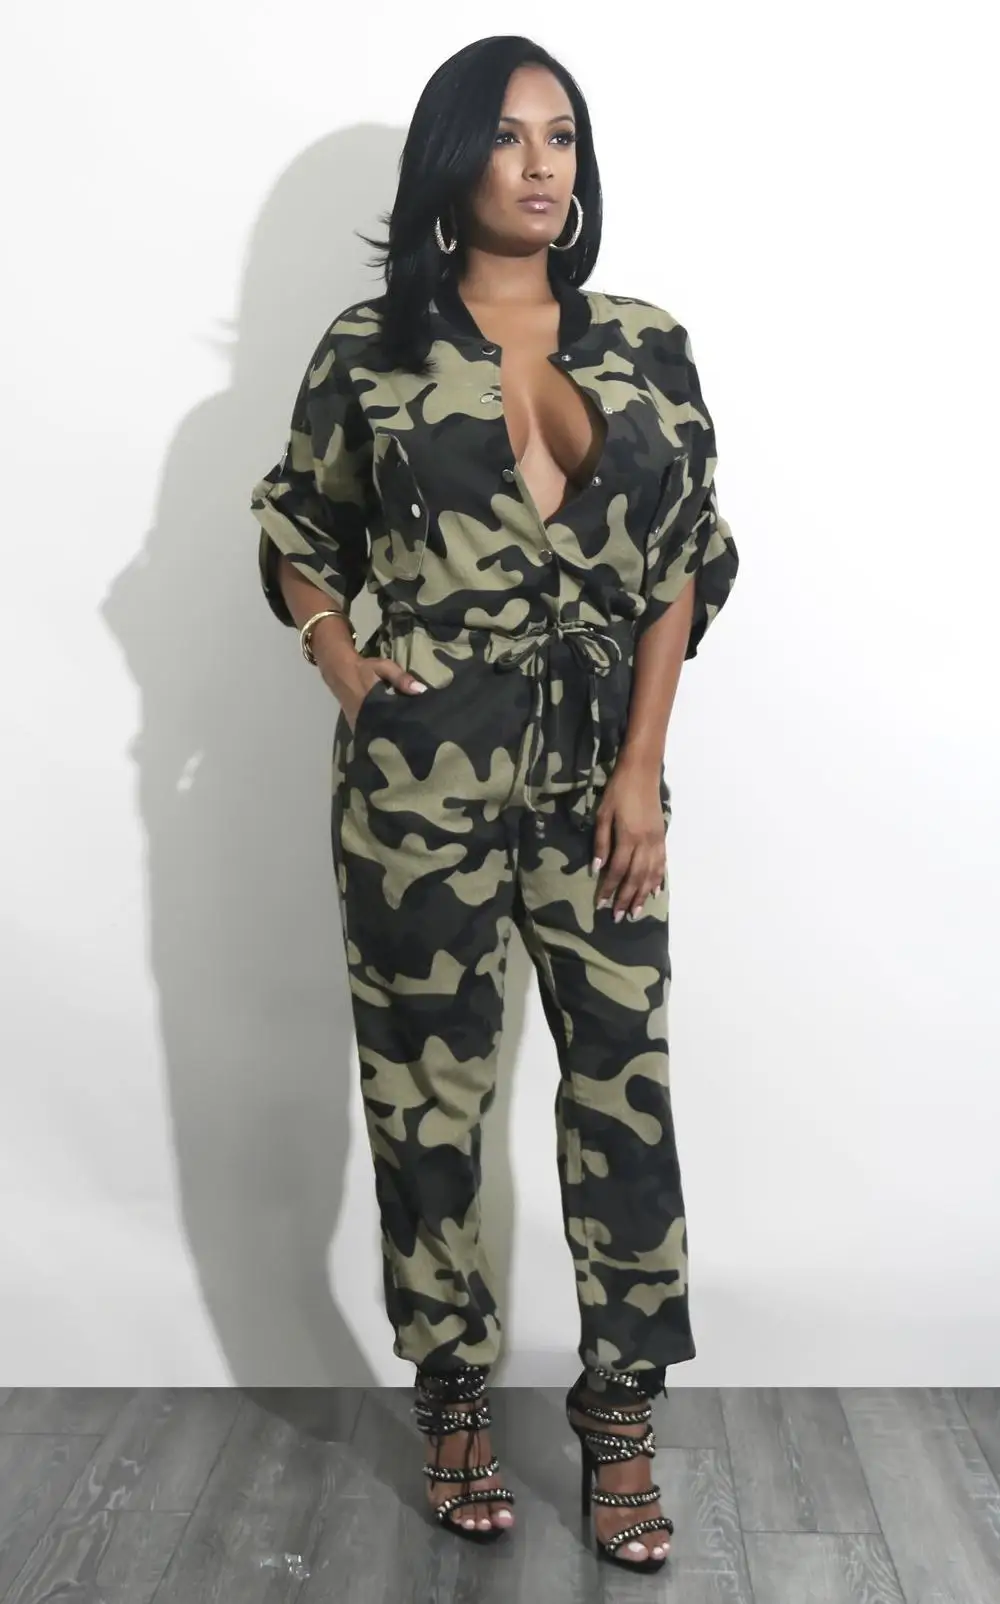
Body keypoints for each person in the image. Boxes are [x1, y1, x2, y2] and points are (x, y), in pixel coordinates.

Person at [249, 34, 739, 1574]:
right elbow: (295, 526)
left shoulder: (647, 345)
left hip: (599, 791)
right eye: (512, 135)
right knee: (427, 1104)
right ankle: (452, 1392)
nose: (542, 165)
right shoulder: (371, 350)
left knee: (622, 1092)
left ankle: (620, 1411)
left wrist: (641, 768)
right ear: (453, 157)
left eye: (564, 137)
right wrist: (346, 669)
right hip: (419, 791)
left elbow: (682, 563)